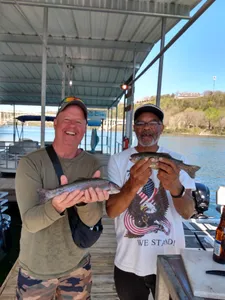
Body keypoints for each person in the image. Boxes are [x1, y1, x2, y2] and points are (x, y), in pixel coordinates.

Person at [15, 96, 109, 299]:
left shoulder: (93, 165)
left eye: (79, 122)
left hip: (78, 268)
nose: (72, 126)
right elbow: (30, 222)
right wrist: (55, 206)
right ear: (55, 122)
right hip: (35, 271)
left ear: (85, 128)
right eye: (67, 119)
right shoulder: (30, 163)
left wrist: (84, 202)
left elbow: (92, 221)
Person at [106, 104, 196, 300]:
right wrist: (132, 184)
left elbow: (188, 212)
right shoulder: (119, 160)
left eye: (153, 123)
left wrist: (175, 186)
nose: (146, 128)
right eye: (141, 123)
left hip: (171, 260)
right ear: (135, 128)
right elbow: (112, 211)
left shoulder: (177, 160)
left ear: (161, 128)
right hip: (128, 262)